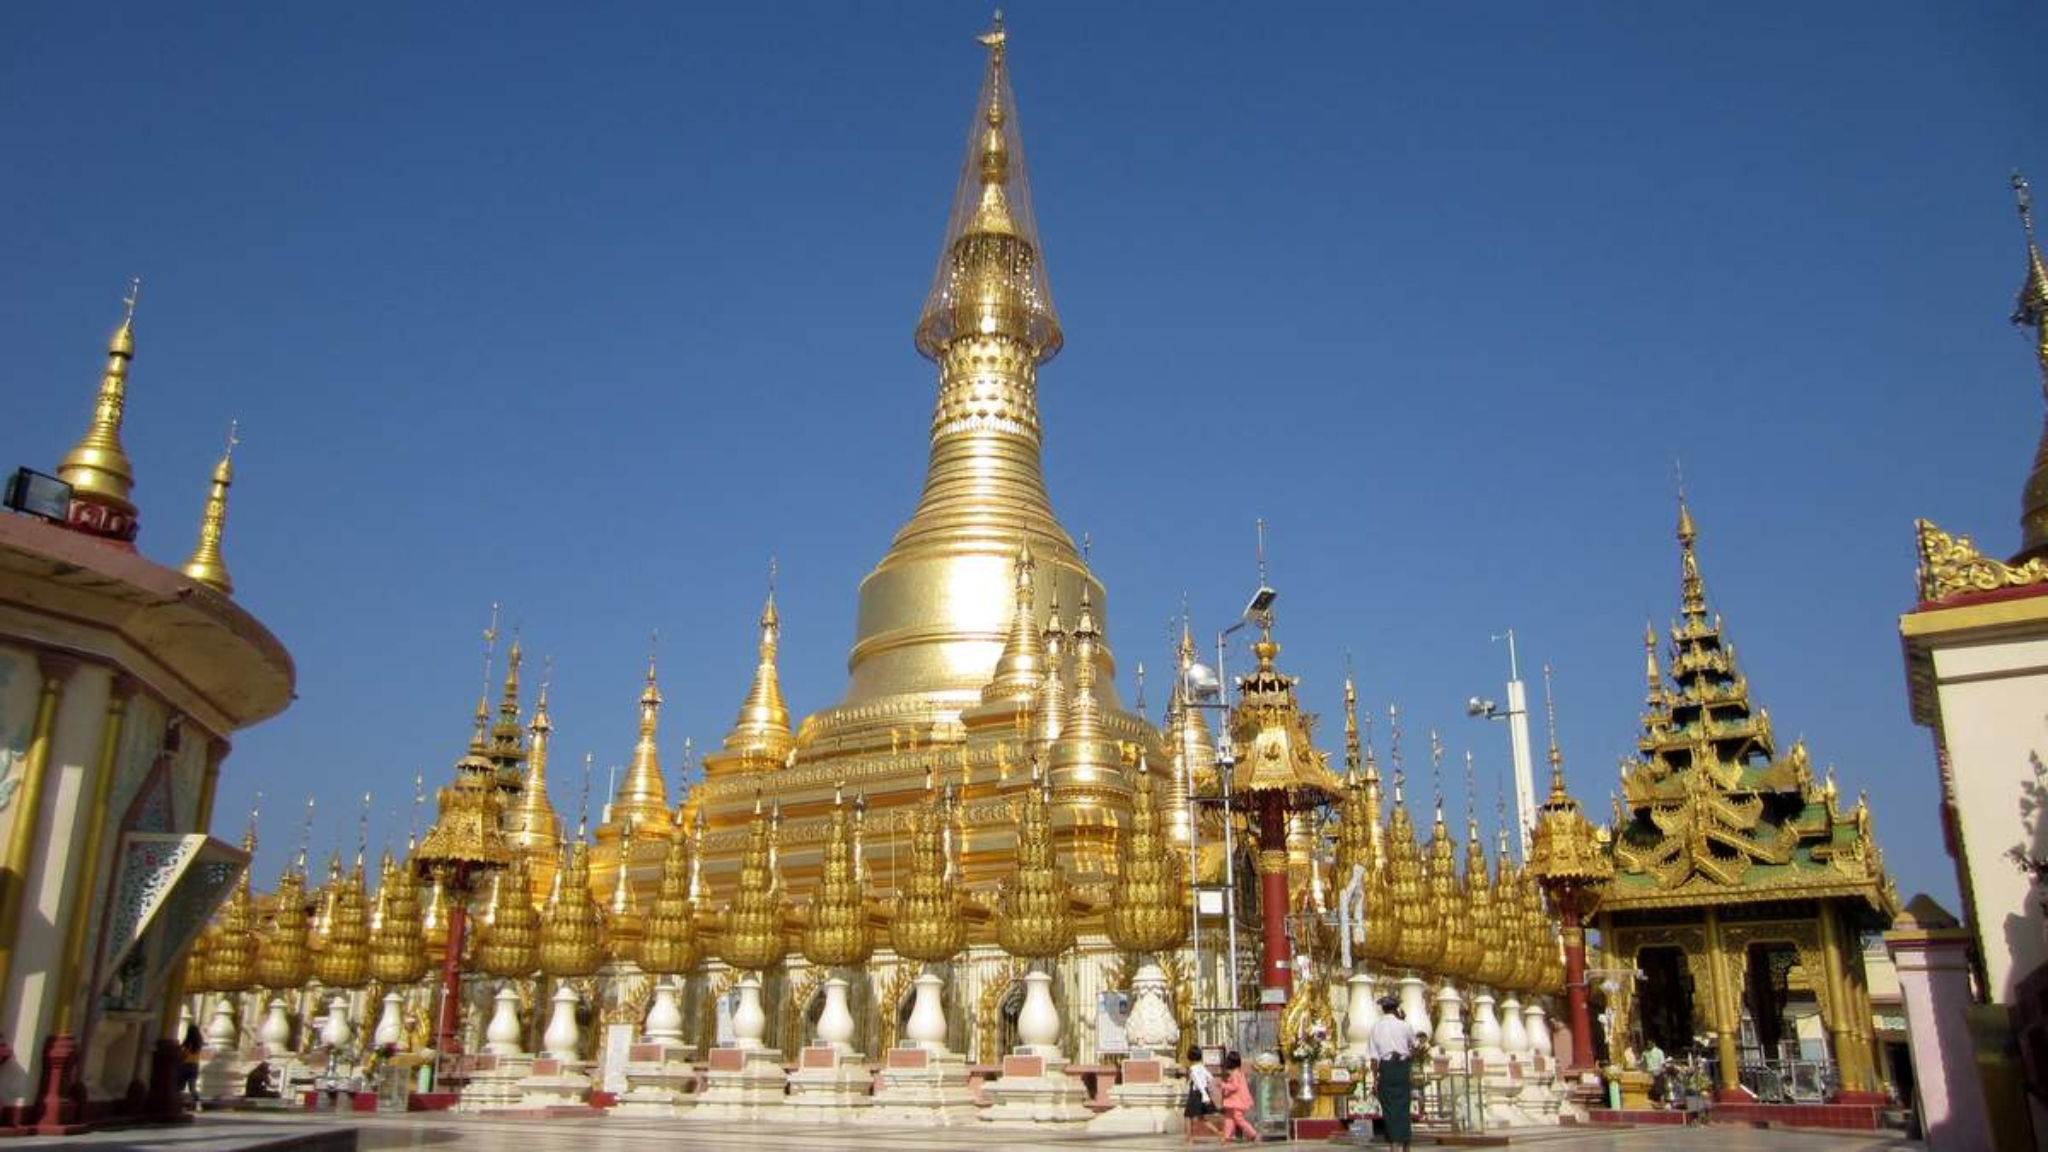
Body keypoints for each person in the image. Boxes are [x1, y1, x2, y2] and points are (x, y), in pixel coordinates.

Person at [1368, 995, 1417, 1152]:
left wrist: (1375, 1079)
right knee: (1403, 1109)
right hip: (1402, 1068)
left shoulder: (1376, 1027)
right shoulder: (1405, 1026)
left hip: (1386, 1069)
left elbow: (1374, 1059)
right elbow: (1414, 1046)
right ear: (1396, 1009)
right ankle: (1405, 1145)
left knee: (1389, 1110)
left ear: (1383, 1009)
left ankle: (1394, 1146)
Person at [1217, 1050, 1259, 1143]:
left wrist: (1223, 1085)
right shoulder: (1238, 1073)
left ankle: (1253, 1134)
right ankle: (1226, 1136)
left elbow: (1235, 1087)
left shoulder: (1235, 1074)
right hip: (1234, 1101)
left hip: (1237, 1101)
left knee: (1238, 1119)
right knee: (1229, 1118)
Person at [1183, 1045, 1220, 1144]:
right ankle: (1219, 1133)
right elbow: (1210, 1077)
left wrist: (1204, 1093)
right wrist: (1206, 1088)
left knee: (1188, 1116)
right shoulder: (1202, 1067)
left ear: (1190, 1057)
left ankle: (1189, 1139)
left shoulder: (1193, 1069)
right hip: (1203, 1093)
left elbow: (1197, 1082)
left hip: (1196, 1094)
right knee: (1201, 1118)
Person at [177, 1023, 203, 1109]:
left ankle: (178, 1104)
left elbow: (183, 1053)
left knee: (179, 1086)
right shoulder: (198, 1044)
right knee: (193, 1088)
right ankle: (198, 1103)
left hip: (185, 1066)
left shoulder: (188, 1042)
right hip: (194, 1066)